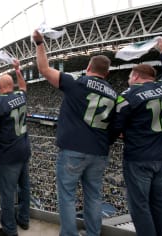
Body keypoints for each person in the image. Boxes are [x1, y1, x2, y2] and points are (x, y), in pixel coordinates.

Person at [32, 30, 117, 236]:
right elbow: (116, 127)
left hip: (73, 151)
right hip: (99, 152)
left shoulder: (77, 83)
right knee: (94, 196)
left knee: (67, 196)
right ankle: (93, 233)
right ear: (107, 73)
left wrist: (39, 43)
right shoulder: (115, 94)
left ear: (88, 67)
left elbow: (44, 69)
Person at [110, 37, 162, 236]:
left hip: (139, 158)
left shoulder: (128, 96)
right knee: (159, 202)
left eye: (130, 75)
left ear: (137, 76)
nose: (129, 79)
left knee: (140, 206)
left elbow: (115, 127)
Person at [0, 59, 31, 236]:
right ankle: (24, 220)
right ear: (12, 85)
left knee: (7, 194)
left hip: (9, 154)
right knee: (24, 189)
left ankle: (9, 230)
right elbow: (24, 87)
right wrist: (18, 70)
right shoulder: (20, 97)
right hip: (24, 150)